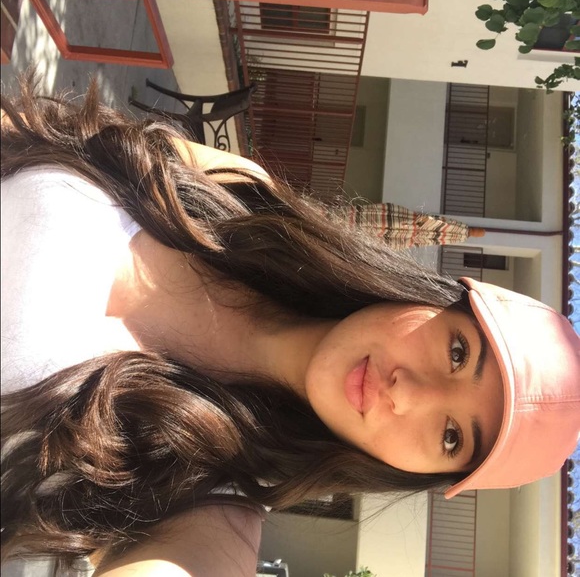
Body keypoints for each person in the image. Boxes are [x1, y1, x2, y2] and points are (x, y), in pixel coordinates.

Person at [1, 76, 579, 577]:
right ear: (439, 301)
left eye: (452, 437)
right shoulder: (239, 190)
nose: (408, 393)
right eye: (458, 353)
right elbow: (38, 132)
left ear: (420, 475)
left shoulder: (213, 499)